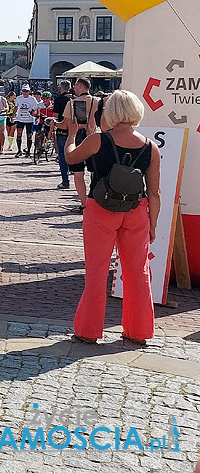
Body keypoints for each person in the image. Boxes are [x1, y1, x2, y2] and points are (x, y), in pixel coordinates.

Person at [65, 90, 160, 345]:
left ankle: (88, 330)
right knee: (138, 272)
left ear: (112, 112)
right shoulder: (150, 147)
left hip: (101, 209)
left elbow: (71, 157)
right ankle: (138, 330)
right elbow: (154, 192)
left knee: (96, 272)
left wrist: (72, 134)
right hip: (136, 211)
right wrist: (153, 224)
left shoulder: (98, 140)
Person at [61, 77, 99, 210]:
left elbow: (65, 125)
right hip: (95, 138)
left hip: (77, 138)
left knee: (78, 174)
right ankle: (95, 201)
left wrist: (54, 124)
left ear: (79, 86)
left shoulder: (72, 103)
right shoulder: (98, 101)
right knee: (95, 172)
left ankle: (84, 204)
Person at [13, 85, 40, 157]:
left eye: (26, 91)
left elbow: (37, 107)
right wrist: (13, 116)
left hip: (29, 120)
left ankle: (28, 151)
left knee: (29, 136)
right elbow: (16, 107)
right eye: (23, 91)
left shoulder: (32, 99)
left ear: (29, 92)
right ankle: (19, 150)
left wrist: (37, 115)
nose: (24, 92)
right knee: (19, 134)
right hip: (20, 119)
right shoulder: (19, 98)